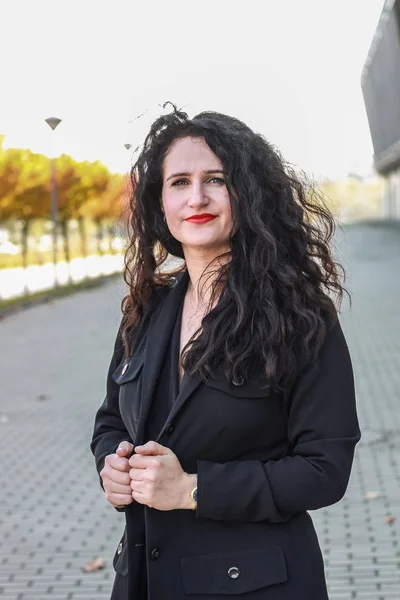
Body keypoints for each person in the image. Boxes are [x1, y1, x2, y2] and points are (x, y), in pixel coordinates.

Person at [91, 103, 361, 600]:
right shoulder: (146, 310)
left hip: (256, 585)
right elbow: (111, 419)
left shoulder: (300, 316)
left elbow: (324, 470)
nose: (197, 197)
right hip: (145, 582)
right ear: (160, 202)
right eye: (179, 182)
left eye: (216, 179)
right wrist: (113, 464)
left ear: (247, 194)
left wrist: (191, 489)